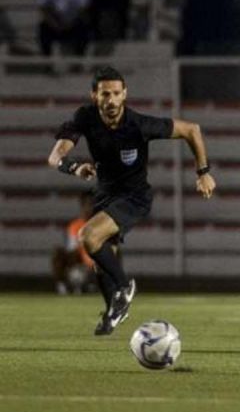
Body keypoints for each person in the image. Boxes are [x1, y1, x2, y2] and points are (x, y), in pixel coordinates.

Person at [47, 65, 216, 335]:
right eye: (105, 94)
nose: (111, 100)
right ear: (94, 96)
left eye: (116, 93)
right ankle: (112, 313)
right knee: (101, 261)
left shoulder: (139, 125)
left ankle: (125, 289)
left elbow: (192, 130)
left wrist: (203, 172)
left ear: (125, 94)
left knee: (88, 236)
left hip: (134, 197)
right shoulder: (85, 117)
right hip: (104, 196)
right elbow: (55, 157)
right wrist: (74, 167)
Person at [52, 192, 96, 295]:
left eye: (92, 205)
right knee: (57, 253)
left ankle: (109, 286)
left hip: (96, 262)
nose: (89, 208)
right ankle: (62, 286)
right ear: (82, 206)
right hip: (79, 261)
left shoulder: (100, 224)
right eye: (87, 205)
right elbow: (71, 248)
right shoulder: (75, 225)